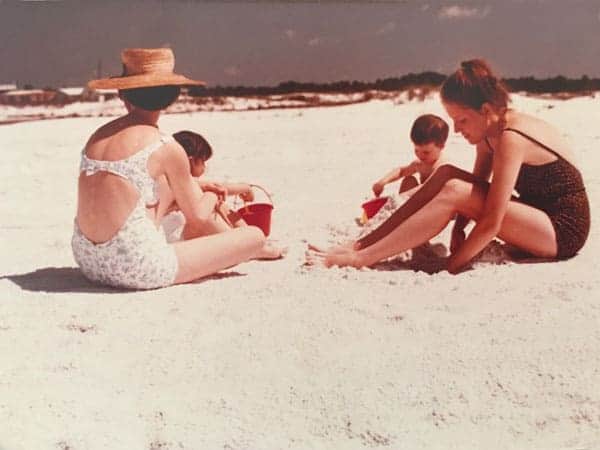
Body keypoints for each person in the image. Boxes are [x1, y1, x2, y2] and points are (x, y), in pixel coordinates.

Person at [309, 59, 590, 273]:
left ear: (486, 111)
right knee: (446, 173)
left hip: (562, 230)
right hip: (536, 215)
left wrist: (451, 265)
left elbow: (491, 219)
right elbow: (477, 183)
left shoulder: (510, 138)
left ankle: (361, 259)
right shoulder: (490, 132)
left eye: (462, 120)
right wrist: (458, 229)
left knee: (454, 189)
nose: (456, 129)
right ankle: (361, 245)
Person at [72, 48, 277, 290]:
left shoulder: (97, 137)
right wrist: (213, 192)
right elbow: (198, 216)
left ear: (121, 93)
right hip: (135, 267)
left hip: (88, 261)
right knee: (253, 235)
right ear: (172, 96)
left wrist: (199, 186)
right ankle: (248, 248)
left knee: (164, 189)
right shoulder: (164, 146)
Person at [371, 114, 449, 197]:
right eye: (416, 150)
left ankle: (401, 204)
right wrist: (383, 182)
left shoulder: (442, 167)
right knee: (409, 180)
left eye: (426, 152)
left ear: (441, 146)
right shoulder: (420, 164)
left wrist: (401, 197)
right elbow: (401, 171)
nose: (420, 155)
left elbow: (429, 188)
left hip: (438, 204)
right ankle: (402, 205)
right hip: (421, 202)